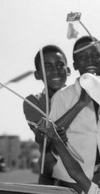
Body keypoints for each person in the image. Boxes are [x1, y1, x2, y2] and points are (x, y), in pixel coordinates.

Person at [49, 37, 100, 193]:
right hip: (70, 182)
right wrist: (81, 103)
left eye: (95, 55)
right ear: (75, 65)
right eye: (82, 57)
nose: (90, 60)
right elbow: (52, 137)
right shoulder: (63, 96)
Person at [23, 45, 90, 185]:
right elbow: (44, 137)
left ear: (69, 70)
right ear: (38, 74)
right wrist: (80, 104)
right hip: (51, 179)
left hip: (83, 176)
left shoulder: (83, 94)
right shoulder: (33, 101)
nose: (55, 71)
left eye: (60, 65)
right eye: (48, 67)